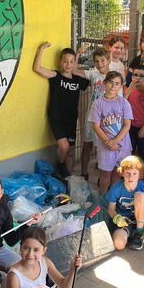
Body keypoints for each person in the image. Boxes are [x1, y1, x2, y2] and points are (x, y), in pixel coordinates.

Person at [33, 43, 90, 178]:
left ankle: (68, 179)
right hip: (57, 118)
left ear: (75, 63)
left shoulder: (78, 80)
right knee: (64, 147)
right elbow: (37, 68)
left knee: (70, 152)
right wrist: (40, 50)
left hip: (71, 119)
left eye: (71, 62)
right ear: (60, 62)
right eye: (65, 61)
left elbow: (88, 79)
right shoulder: (56, 76)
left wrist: (79, 54)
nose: (68, 65)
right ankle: (60, 164)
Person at [88, 71, 133, 194]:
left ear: (121, 86)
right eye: (110, 83)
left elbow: (127, 124)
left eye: (117, 84)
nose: (113, 86)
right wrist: (108, 142)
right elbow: (96, 126)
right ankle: (103, 199)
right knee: (105, 174)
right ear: (104, 84)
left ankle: (113, 199)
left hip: (123, 145)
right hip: (105, 145)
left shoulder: (124, 103)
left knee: (118, 173)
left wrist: (115, 141)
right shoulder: (98, 104)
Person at [80, 47, 120, 181]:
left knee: (101, 149)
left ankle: (102, 176)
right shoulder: (94, 74)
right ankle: (84, 173)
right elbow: (74, 70)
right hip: (91, 117)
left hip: (105, 120)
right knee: (87, 145)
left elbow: (119, 100)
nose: (100, 64)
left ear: (109, 60)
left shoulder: (114, 78)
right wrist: (78, 53)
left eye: (103, 60)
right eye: (96, 61)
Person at [105, 156, 144, 251]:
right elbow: (111, 209)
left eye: (134, 173)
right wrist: (117, 218)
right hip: (123, 221)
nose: (131, 177)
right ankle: (129, 233)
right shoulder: (116, 188)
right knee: (119, 245)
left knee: (140, 196)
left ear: (140, 174)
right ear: (122, 173)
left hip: (140, 219)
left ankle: (139, 232)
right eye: (127, 173)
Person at [125, 64, 144, 165]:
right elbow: (122, 102)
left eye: (141, 76)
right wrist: (130, 87)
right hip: (130, 127)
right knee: (129, 154)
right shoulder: (128, 90)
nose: (137, 78)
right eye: (135, 75)